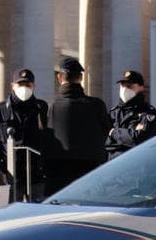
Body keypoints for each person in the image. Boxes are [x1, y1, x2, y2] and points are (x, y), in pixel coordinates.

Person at [0, 67, 50, 190]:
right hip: (9, 172)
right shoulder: (0, 111)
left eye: (28, 84)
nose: (24, 88)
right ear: (12, 85)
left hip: (36, 173)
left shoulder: (41, 109)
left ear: (33, 85)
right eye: (20, 84)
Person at [45, 57, 110, 193]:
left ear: (59, 77)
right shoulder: (96, 105)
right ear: (80, 78)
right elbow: (107, 133)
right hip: (90, 173)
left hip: (58, 175)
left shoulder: (50, 106)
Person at [105, 69, 156, 159]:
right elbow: (105, 142)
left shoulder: (148, 112)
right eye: (122, 86)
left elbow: (139, 139)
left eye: (129, 86)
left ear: (141, 87)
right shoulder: (114, 112)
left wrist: (114, 133)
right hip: (113, 166)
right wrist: (128, 135)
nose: (124, 90)